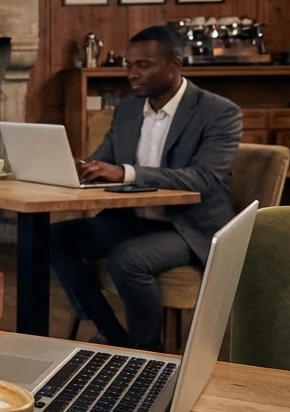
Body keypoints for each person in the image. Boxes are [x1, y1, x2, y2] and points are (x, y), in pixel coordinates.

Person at [51, 25, 242, 351]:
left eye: (143, 65)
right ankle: (111, 333)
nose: (131, 74)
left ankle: (148, 350)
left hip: (189, 226)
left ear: (175, 65)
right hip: (132, 219)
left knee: (127, 260)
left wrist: (126, 173)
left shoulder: (218, 112)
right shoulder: (127, 111)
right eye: (128, 65)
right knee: (50, 238)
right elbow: (101, 163)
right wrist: (74, 169)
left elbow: (205, 178)